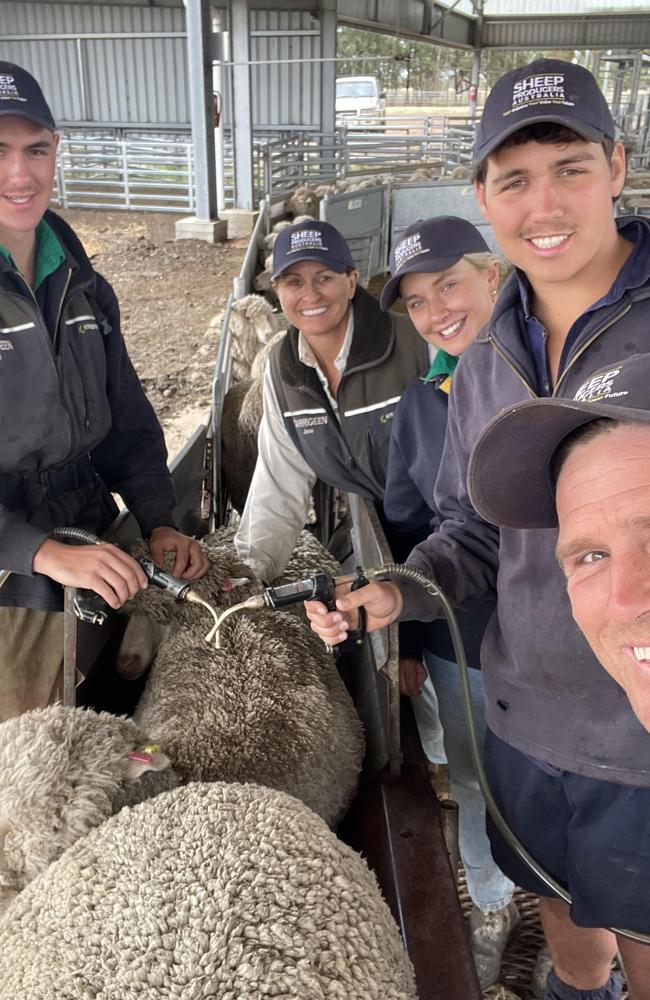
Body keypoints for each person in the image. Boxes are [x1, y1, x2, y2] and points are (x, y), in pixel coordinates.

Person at [306, 57, 650, 1000]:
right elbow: (474, 531)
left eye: (570, 168)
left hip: (640, 730)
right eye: (515, 179)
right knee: (563, 911)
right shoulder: (487, 354)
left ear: (617, 166)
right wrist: (395, 591)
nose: (544, 203)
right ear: (484, 199)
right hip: (524, 717)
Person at [0, 62, 209, 720]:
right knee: (40, 740)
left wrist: (159, 520)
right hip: (11, 560)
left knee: (150, 686)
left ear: (57, 149)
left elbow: (128, 425)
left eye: (36, 149)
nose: (20, 174)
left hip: (89, 523)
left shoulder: (81, 282)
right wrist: (42, 553)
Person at [380, 215, 517, 989]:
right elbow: (405, 524)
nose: (437, 311)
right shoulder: (420, 405)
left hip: (563, 640)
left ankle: (584, 916)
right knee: (473, 781)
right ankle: (493, 904)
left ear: (491, 278)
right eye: (418, 301)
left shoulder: (551, 374)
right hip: (463, 638)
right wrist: (404, 640)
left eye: (450, 286)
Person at [234, 218, 428, 583]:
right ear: (277, 291)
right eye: (294, 282)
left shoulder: (416, 343)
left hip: (449, 536)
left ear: (351, 281)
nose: (310, 294)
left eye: (324, 277)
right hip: (379, 538)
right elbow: (279, 480)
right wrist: (251, 573)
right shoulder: (283, 372)